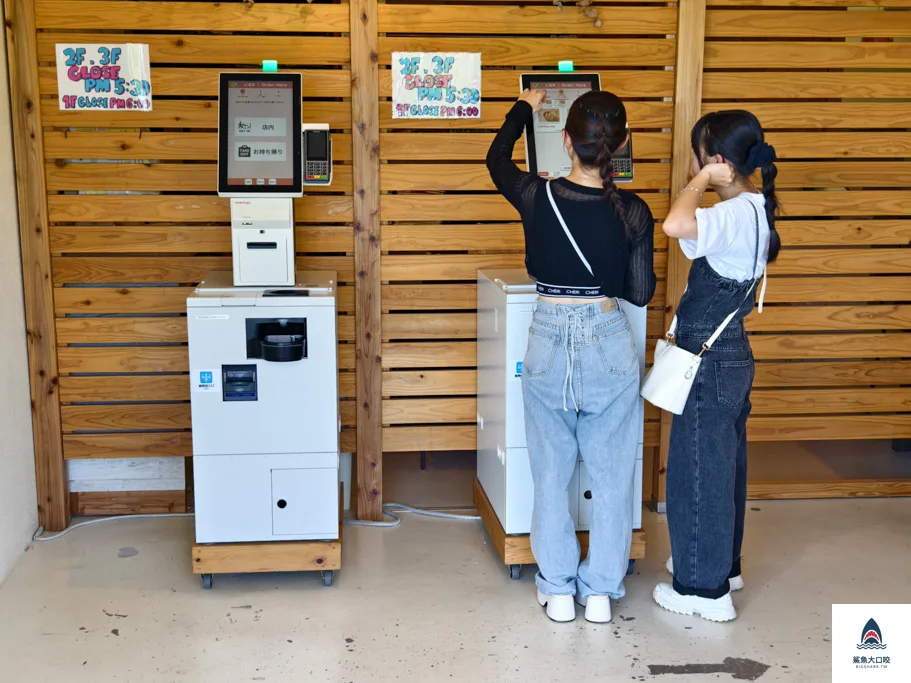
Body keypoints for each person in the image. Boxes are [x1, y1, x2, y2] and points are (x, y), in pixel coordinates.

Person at [486, 89, 656, 624]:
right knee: (610, 477)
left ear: (566, 141)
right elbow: (641, 291)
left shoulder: (536, 196)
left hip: (546, 337)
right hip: (607, 337)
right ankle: (601, 591)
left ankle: (557, 587)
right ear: (623, 144)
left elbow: (496, 161)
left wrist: (523, 106)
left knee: (550, 470)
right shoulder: (633, 211)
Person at [654, 110, 780, 622]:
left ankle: (703, 592)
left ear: (718, 161)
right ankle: (721, 565)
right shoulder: (754, 208)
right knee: (724, 466)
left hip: (708, 361)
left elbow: (674, 223)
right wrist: (710, 178)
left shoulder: (729, 213)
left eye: (698, 156)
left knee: (699, 468)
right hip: (731, 354)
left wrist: (701, 179)